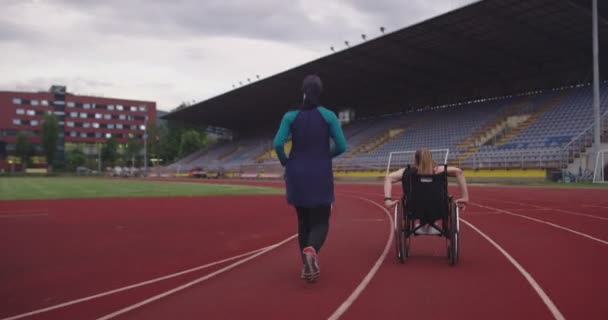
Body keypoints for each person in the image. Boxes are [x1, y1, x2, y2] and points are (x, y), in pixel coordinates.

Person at [273, 74, 347, 283]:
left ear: (303, 91)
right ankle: (312, 251)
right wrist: (324, 156)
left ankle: (305, 266)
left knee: (303, 220)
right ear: (320, 92)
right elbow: (341, 146)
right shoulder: (329, 116)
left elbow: (278, 143)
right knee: (321, 221)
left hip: (296, 172)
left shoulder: (290, 116)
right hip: (320, 172)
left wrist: (286, 161)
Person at [383, 149, 469, 234]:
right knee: (435, 200)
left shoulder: (406, 172)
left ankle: (423, 225)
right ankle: (431, 224)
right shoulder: (440, 170)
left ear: (415, 160)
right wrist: (465, 197)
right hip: (439, 208)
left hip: (414, 208)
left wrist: (388, 200)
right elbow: (459, 172)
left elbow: (388, 178)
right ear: (431, 159)